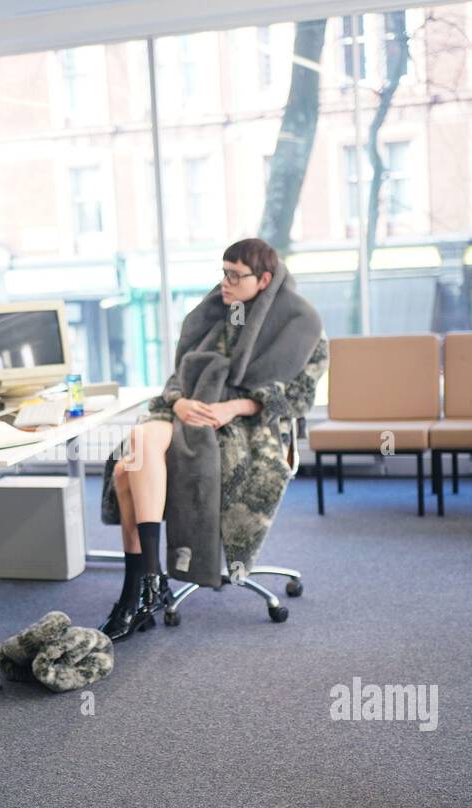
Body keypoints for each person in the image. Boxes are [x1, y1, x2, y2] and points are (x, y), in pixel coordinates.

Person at [99, 238, 328, 641]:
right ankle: (148, 582)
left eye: (236, 276)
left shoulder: (302, 328)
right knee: (134, 453)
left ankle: (138, 592)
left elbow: (297, 399)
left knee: (125, 473)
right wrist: (181, 401)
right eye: (223, 272)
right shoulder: (215, 317)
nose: (225, 283)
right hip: (190, 413)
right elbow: (175, 380)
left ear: (264, 280)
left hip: (249, 430)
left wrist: (233, 407)